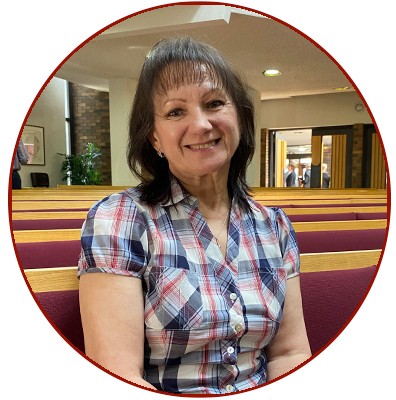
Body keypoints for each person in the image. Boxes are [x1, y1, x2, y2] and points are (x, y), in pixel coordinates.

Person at [78, 37, 311, 395]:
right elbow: (118, 375)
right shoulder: (122, 219)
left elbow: (289, 354)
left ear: (240, 118)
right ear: (154, 137)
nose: (201, 125)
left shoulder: (274, 226)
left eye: (214, 103)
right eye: (175, 112)